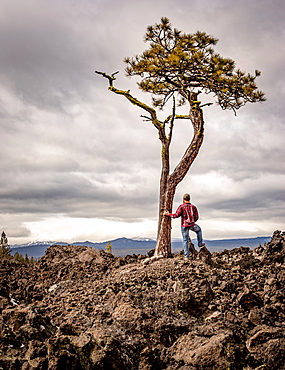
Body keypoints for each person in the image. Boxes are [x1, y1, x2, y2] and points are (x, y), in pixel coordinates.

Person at [164, 193, 205, 260]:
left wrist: (168, 214)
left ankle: (186, 256)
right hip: (192, 224)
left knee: (185, 240)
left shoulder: (181, 207)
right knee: (199, 230)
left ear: (183, 199)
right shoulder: (193, 207)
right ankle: (200, 244)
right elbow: (196, 217)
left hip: (184, 225)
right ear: (189, 199)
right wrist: (192, 221)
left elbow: (176, 215)